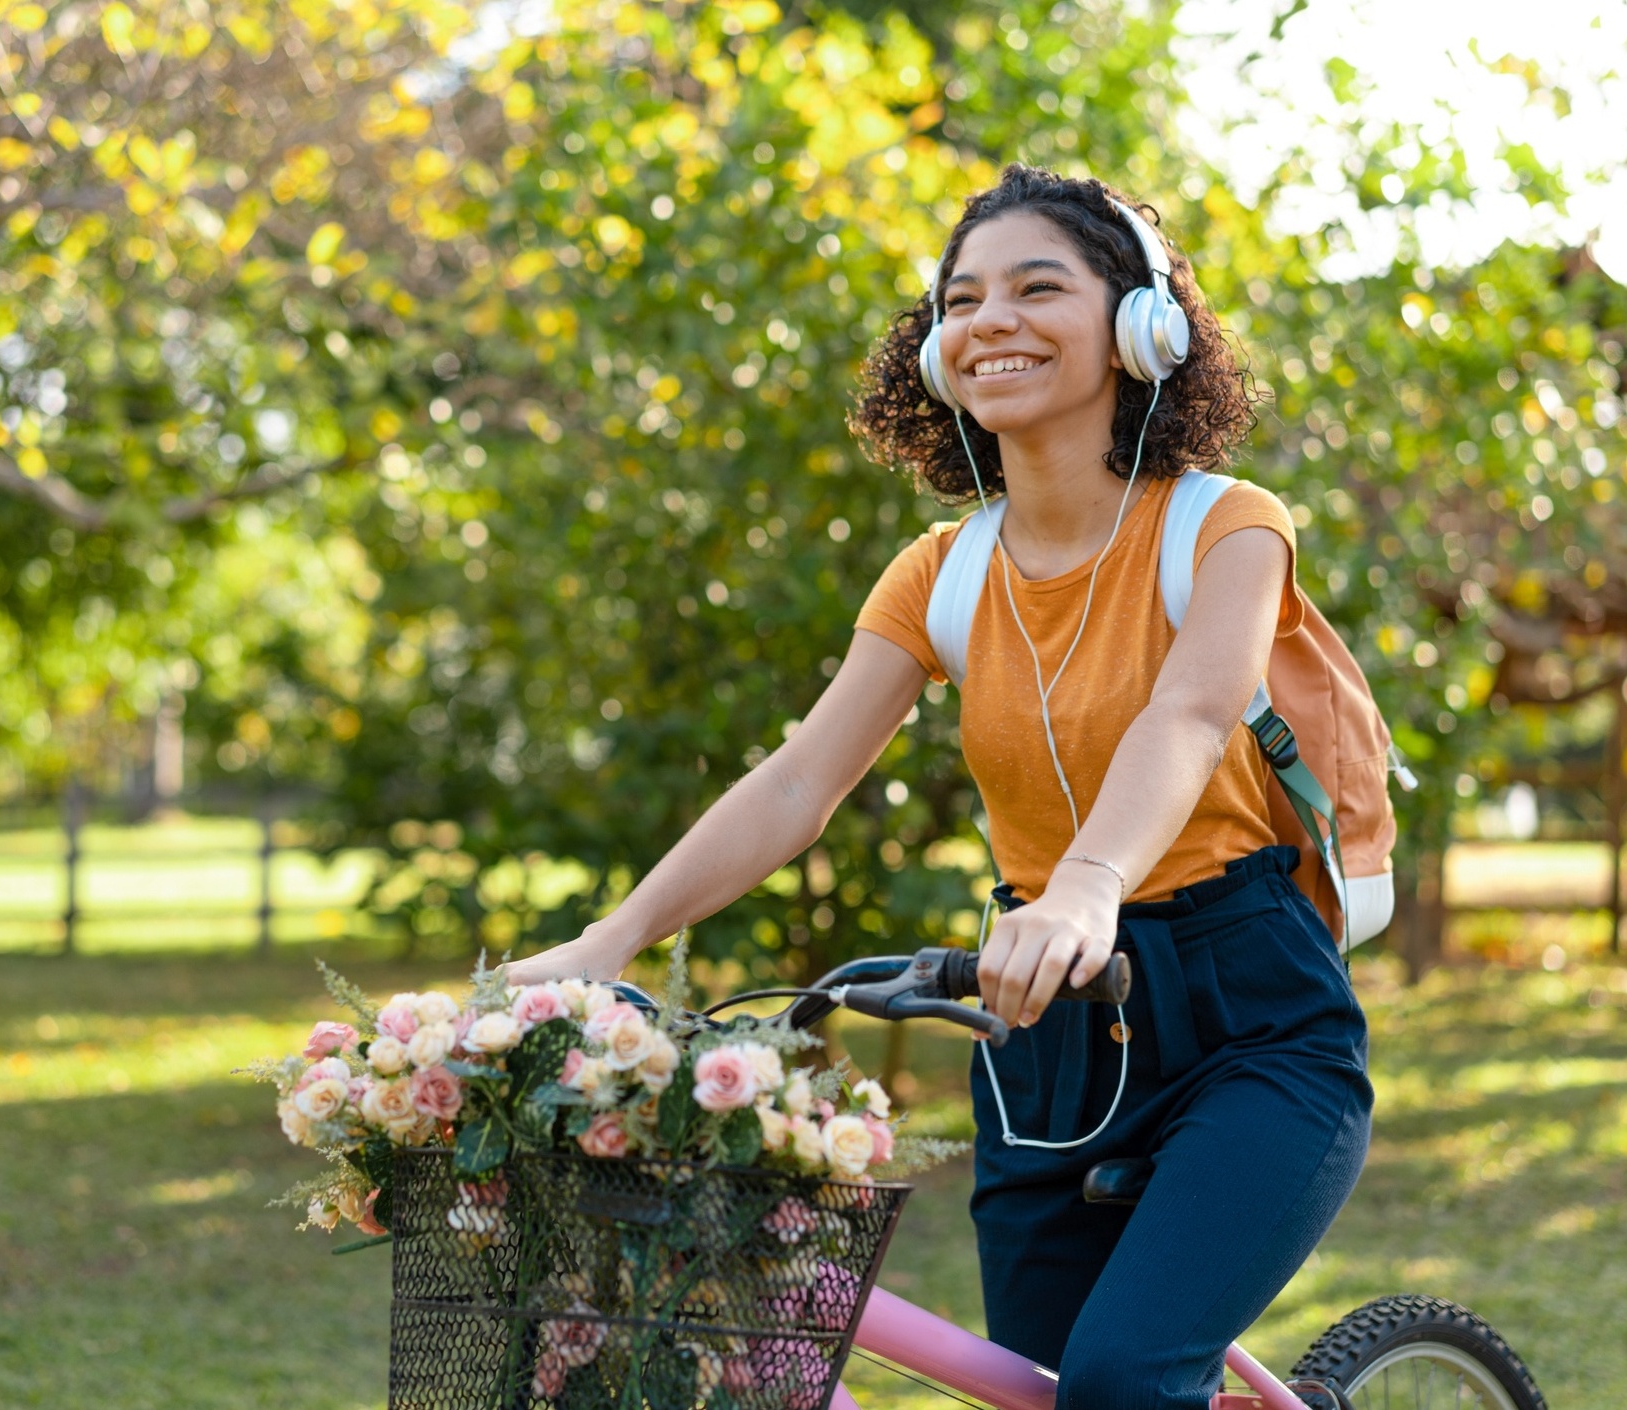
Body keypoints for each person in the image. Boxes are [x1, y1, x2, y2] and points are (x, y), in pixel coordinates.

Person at [503, 164, 1373, 1410]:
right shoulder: (939, 574)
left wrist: (1082, 892)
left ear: (1140, 330)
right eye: (959, 300)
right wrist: (612, 937)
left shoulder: (1224, 526)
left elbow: (1186, 714)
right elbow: (800, 779)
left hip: (1244, 1007)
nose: (988, 321)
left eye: (1036, 287)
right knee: (1033, 1381)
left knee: (1122, 1382)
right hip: (1039, 1027)